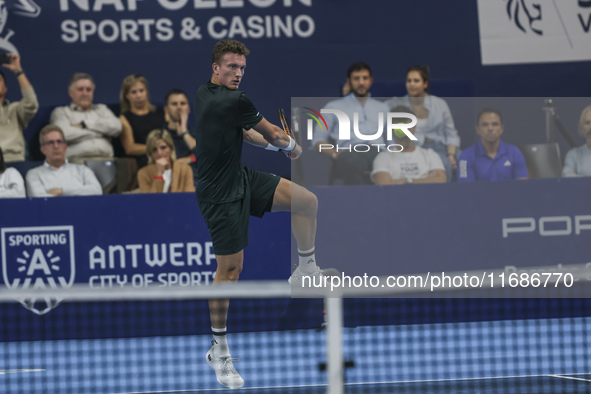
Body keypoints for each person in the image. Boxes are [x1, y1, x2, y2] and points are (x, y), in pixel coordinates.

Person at [195, 39, 322, 389]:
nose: (237, 73)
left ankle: (305, 269)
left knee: (307, 201)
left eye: (242, 68)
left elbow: (248, 133)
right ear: (216, 68)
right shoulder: (232, 99)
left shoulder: (208, 94)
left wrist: (275, 145)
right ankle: (218, 351)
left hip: (240, 178)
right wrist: (293, 148)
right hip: (219, 195)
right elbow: (272, 132)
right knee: (230, 270)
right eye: (231, 67)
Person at [311, 62, 388, 185]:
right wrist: (337, 154)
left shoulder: (383, 108)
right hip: (349, 152)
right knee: (352, 161)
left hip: (379, 153)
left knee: (391, 163)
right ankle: (360, 201)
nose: (361, 82)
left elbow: (393, 141)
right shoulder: (333, 107)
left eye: (365, 78)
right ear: (349, 81)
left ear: (371, 80)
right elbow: (318, 140)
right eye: (356, 78)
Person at [385, 66, 460, 182]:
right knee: (444, 164)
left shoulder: (440, 104)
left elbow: (451, 134)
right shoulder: (396, 104)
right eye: (409, 81)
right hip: (415, 147)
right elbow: (379, 109)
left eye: (416, 81)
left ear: (425, 84)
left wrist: (451, 154)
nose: (411, 84)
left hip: (440, 146)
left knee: (464, 160)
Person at [49, 73, 122, 164]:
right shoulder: (62, 112)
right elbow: (63, 135)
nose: (85, 93)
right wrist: (101, 132)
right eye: (80, 89)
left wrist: (85, 124)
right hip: (77, 162)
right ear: (70, 92)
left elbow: (117, 127)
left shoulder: (102, 109)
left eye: (88, 90)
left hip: (107, 160)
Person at [372, 106, 446, 185]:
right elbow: (383, 184)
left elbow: (441, 179)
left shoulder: (430, 155)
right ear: (392, 130)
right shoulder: (383, 157)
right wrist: (426, 179)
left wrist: (407, 181)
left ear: (414, 126)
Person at [26, 125, 102, 197]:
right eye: (50, 143)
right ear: (42, 149)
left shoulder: (82, 170)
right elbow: (38, 199)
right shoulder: (34, 174)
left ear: (65, 146)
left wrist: (62, 191)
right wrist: (80, 191)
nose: (56, 146)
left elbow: (97, 191)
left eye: (59, 141)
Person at [457, 108, 528, 181]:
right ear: (478, 129)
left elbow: (523, 186)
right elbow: (466, 189)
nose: (490, 128)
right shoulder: (465, 156)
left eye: (495, 124)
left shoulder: (515, 153)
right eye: (485, 125)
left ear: (501, 128)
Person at [119, 74, 165, 169]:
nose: (139, 95)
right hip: (143, 160)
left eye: (141, 90)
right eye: (134, 92)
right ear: (127, 95)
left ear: (146, 92)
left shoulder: (160, 112)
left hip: (166, 155)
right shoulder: (124, 118)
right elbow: (130, 148)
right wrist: (155, 149)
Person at [0, 53, 38, 162]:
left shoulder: (15, 109)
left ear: (5, 88)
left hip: (14, 160)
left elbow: (31, 103)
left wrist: (18, 71)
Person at [137, 129, 195, 193]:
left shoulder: (184, 169)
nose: (159, 153)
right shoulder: (143, 173)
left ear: (171, 148)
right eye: (154, 150)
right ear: (150, 153)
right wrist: (159, 173)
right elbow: (148, 200)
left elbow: (189, 196)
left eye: (163, 147)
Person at [163, 89, 198, 184]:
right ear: (166, 109)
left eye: (182, 103)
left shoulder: (200, 134)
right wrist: (192, 158)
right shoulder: (160, 135)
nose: (179, 107)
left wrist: (185, 133)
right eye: (174, 104)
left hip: (198, 183)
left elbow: (207, 158)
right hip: (170, 182)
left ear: (188, 108)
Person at [562, 105, 591, 177]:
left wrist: (578, 175)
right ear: (582, 128)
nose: (590, 127)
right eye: (587, 123)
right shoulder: (574, 155)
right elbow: (567, 175)